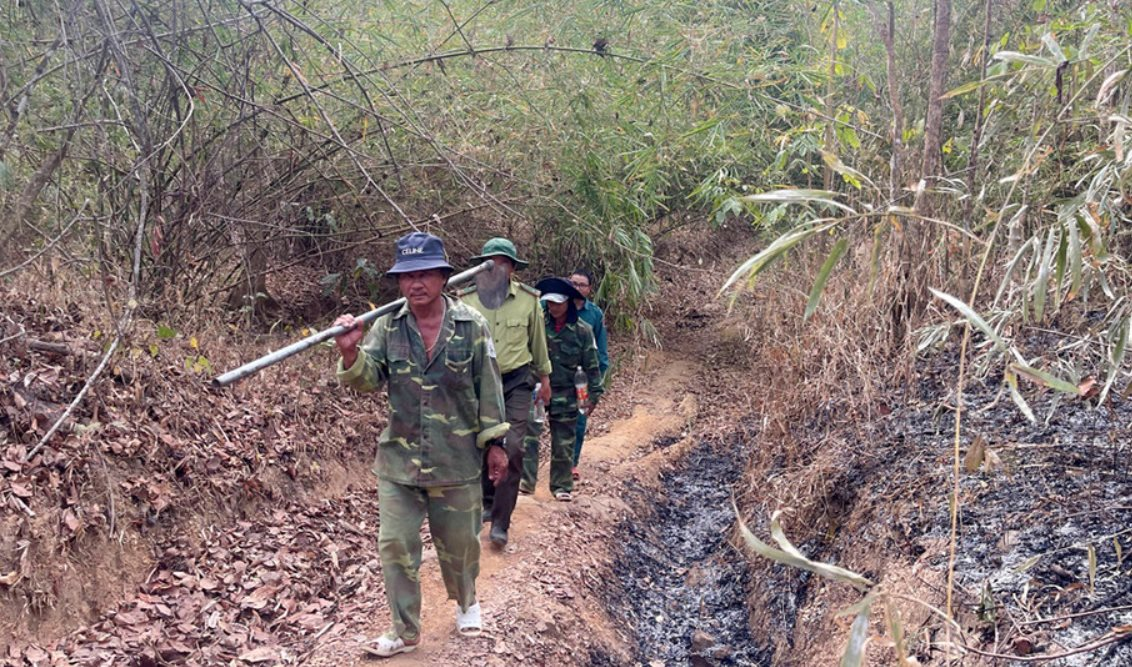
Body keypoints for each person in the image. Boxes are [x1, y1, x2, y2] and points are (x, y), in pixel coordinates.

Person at [333, 231, 510, 658]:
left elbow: (489, 389)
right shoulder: (388, 328)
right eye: (407, 276)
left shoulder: (471, 325)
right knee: (395, 545)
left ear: (444, 278)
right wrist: (351, 353)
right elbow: (367, 379)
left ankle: (466, 600)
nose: (416, 284)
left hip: (456, 460)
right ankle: (404, 629)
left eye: (426, 274)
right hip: (399, 461)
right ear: (398, 282)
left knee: (461, 545)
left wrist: (496, 446)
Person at [459, 238, 552, 548]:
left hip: (516, 383)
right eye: (488, 263)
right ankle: (485, 501)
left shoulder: (529, 301)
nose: (494, 268)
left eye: (501, 263)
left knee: (512, 447)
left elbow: (538, 344)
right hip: (476, 384)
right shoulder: (465, 301)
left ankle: (501, 522)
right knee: (480, 444)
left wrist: (545, 379)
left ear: (512, 269)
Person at [520, 277, 603, 501]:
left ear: (567, 302)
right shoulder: (537, 324)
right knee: (529, 436)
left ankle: (561, 486)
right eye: (550, 303)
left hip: (566, 393)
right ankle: (525, 482)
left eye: (557, 303)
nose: (553, 307)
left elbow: (592, 365)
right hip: (537, 390)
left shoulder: (582, 331)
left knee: (563, 440)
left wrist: (593, 395)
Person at [569, 268, 609, 479]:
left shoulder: (594, 314)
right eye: (572, 283)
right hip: (553, 373)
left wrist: (596, 388)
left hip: (582, 379)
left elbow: (601, 353)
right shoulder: (554, 305)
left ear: (589, 289)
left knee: (580, 418)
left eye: (581, 285)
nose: (576, 288)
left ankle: (572, 463)